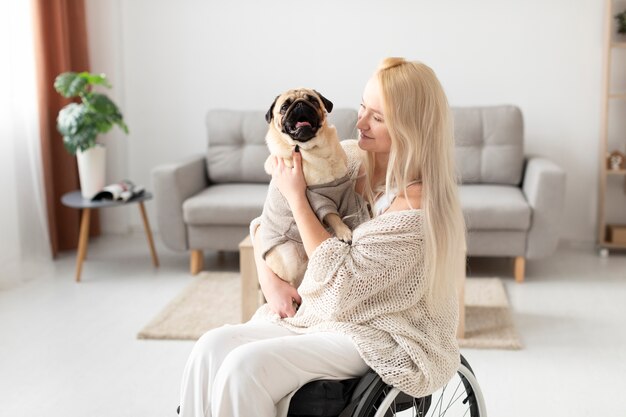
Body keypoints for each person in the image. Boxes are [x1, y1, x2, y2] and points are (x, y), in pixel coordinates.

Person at [178, 57, 466, 417]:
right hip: (319, 314)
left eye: (377, 117)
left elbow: (342, 284)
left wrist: (299, 198)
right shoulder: (343, 157)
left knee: (244, 368)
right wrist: (270, 282)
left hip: (378, 330)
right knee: (211, 346)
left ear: (411, 129)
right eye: (363, 107)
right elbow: (266, 224)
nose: (360, 122)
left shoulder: (416, 208)